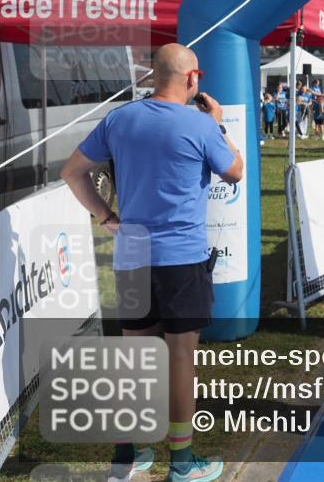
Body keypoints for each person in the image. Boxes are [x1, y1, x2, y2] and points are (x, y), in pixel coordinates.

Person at [60, 43, 243, 482]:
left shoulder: (119, 118)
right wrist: (217, 126)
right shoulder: (200, 124)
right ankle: (181, 463)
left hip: (132, 254)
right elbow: (235, 171)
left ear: (151, 76)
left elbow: (72, 171)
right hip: (181, 258)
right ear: (192, 78)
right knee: (181, 358)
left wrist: (106, 217)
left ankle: (128, 455)